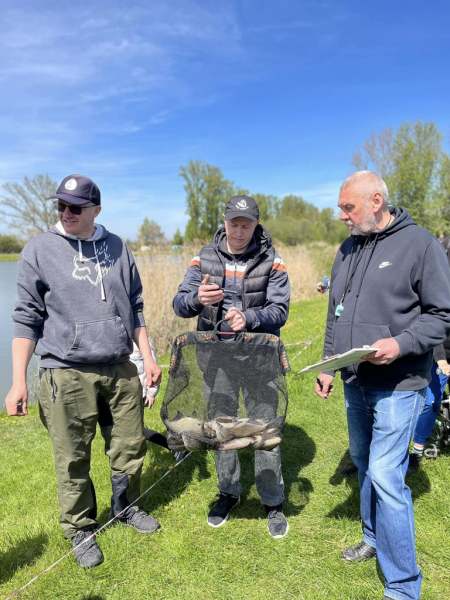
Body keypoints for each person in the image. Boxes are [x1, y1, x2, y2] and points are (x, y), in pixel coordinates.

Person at [5, 174, 162, 569]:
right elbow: (27, 319)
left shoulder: (119, 247)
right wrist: (18, 381)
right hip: (65, 372)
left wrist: (148, 355)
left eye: (75, 207)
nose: (66, 213)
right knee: (72, 456)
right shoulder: (39, 250)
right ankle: (80, 528)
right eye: (60, 206)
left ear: (96, 210)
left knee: (129, 446)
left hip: (121, 367)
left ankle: (126, 508)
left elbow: (136, 307)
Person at [315, 171, 450, 600]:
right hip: (356, 379)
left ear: (376, 200)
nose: (342, 216)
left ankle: (404, 585)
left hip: (400, 383)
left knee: (388, 477)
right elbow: (335, 312)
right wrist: (327, 365)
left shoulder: (422, 245)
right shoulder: (347, 248)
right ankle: (373, 538)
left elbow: (442, 317)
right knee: (363, 461)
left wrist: (401, 342)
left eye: (348, 207)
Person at [173, 195, 290, 538]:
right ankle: (228, 493)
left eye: (246, 224)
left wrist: (249, 317)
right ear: (224, 222)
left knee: (265, 428)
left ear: (256, 224)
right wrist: (197, 299)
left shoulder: (272, 259)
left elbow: (280, 311)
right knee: (220, 428)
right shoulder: (203, 257)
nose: (239, 231)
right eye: (233, 224)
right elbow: (180, 304)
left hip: (259, 357)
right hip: (215, 358)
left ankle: (272, 500)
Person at [408, 340, 450, 472]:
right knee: (431, 403)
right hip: (437, 360)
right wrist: (441, 360)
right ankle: (417, 451)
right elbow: (436, 334)